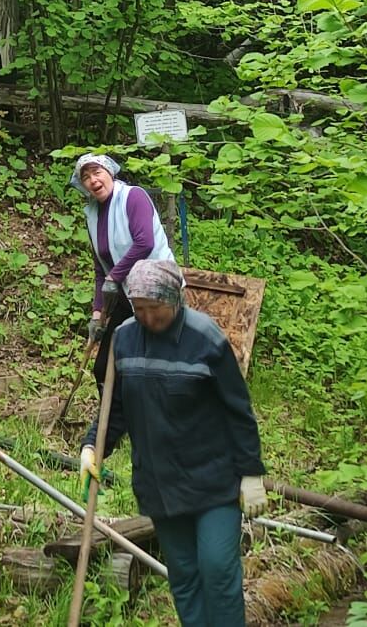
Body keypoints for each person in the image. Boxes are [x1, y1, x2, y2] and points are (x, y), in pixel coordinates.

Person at [79, 259, 267, 627]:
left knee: (217, 568)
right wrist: (92, 448)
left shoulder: (206, 339)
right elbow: (115, 409)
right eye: (140, 309)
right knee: (183, 576)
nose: (148, 318)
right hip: (160, 483)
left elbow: (238, 412)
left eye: (156, 309)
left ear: (176, 300)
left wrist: (251, 474)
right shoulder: (125, 338)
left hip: (214, 481)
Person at [69, 152, 176, 392]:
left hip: (156, 292)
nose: (93, 180)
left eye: (97, 172)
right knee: (103, 367)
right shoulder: (92, 215)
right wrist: (97, 314)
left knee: (151, 367)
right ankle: (115, 423)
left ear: (110, 173)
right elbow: (100, 269)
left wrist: (114, 276)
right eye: (86, 177)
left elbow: (145, 242)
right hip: (126, 298)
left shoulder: (132, 196)